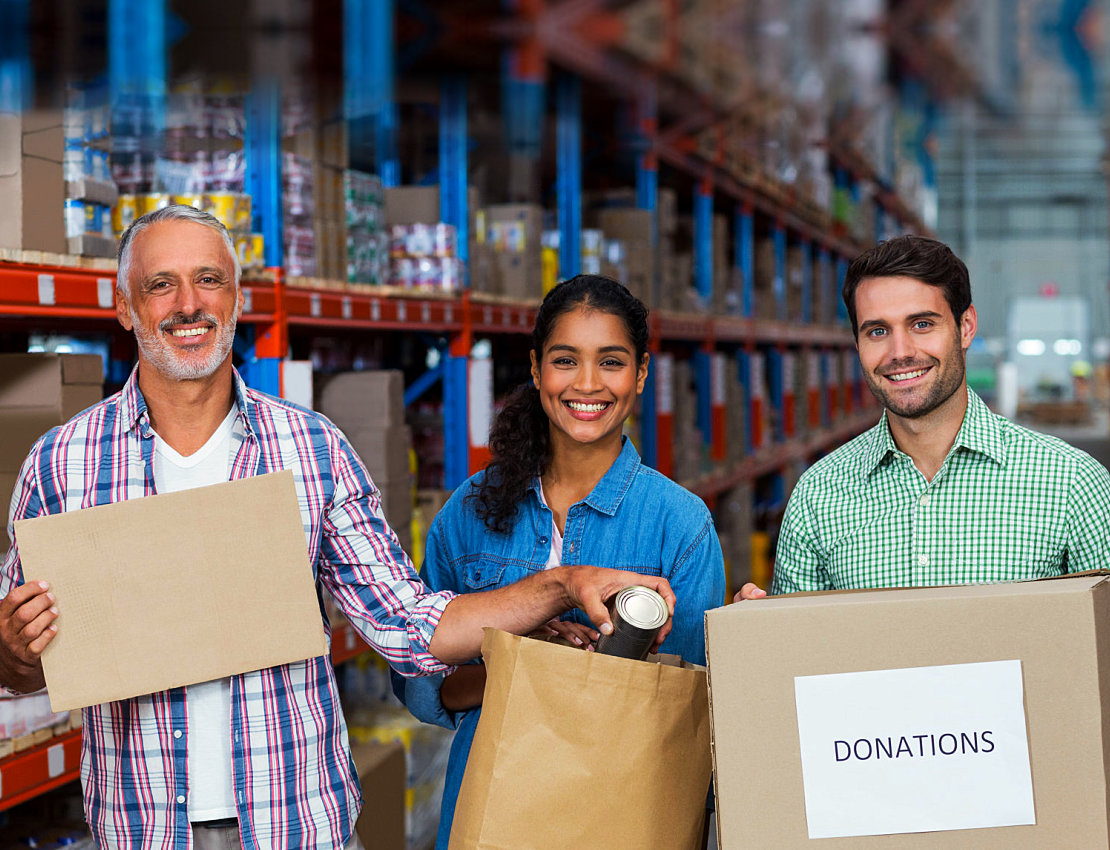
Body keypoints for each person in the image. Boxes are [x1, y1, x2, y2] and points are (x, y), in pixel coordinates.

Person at [0, 206, 677, 850]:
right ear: (123, 306)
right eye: (160, 284)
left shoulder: (311, 452)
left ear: (239, 299)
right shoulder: (64, 467)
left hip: (298, 826)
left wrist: (561, 585)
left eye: (210, 280)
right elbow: (21, 674)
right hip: (140, 830)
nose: (189, 304)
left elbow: (411, 629)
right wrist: (16, 647)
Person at [394, 274, 727, 849]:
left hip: (624, 816)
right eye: (566, 360)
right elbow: (419, 682)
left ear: (642, 374)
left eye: (613, 362)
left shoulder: (681, 525)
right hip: (491, 808)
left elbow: (692, 714)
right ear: (535, 369)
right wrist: (529, 663)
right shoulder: (468, 513)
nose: (588, 384)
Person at [736, 234, 1109, 601]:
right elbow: (799, 653)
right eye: (878, 331)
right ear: (857, 344)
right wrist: (761, 636)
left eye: (922, 324)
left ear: (965, 327)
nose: (900, 352)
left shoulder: (1072, 485)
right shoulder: (818, 496)